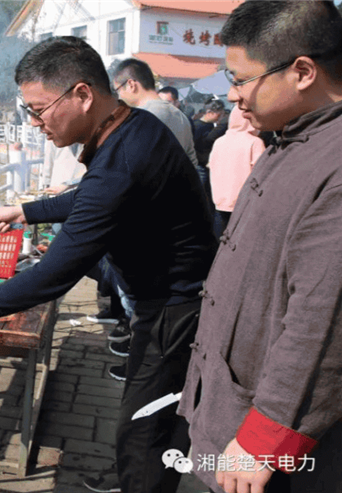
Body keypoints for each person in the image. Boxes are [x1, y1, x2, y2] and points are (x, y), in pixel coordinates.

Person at [0, 36, 217, 493]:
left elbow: (52, 276)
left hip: (176, 309)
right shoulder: (133, 128)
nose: (34, 124)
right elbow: (90, 198)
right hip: (167, 301)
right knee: (143, 424)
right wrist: (25, 211)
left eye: (39, 110)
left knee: (145, 432)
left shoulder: (121, 160)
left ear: (83, 95)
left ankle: (140, 482)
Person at [176, 2, 342, 493]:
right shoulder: (290, 138)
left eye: (241, 79)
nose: (233, 94)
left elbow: (322, 320)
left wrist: (264, 438)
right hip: (230, 408)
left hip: (262, 446)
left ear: (303, 72)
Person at [113, 59, 199, 168]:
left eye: (118, 90)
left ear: (131, 85)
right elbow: (191, 161)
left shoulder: (140, 118)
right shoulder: (181, 117)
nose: (119, 97)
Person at [206, 104, 265, 237]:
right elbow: (261, 172)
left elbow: (211, 165)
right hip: (245, 202)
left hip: (220, 200)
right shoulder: (255, 142)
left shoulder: (219, 141)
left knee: (220, 239)